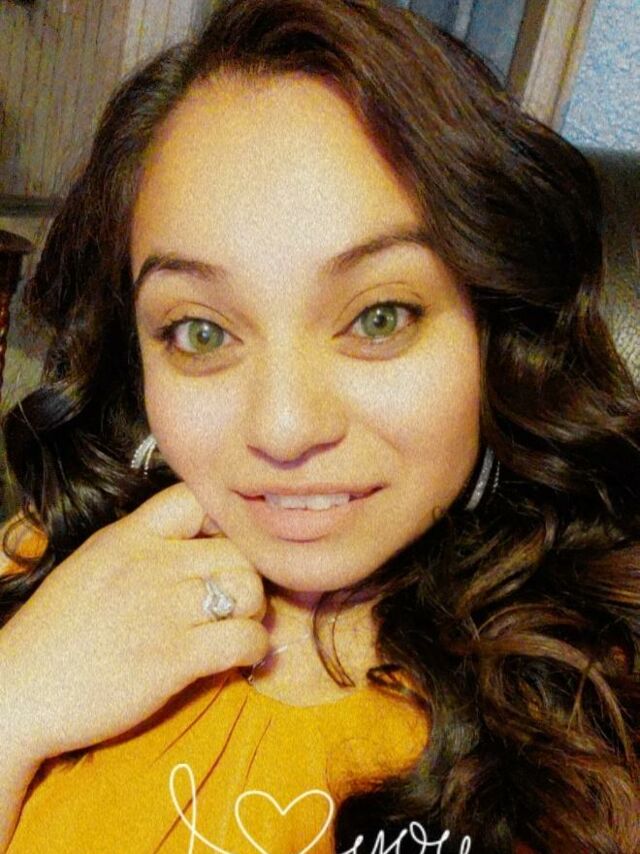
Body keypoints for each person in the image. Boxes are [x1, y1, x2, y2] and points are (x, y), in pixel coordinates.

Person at [1, 0, 639, 851]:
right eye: (202, 332)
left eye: (378, 317)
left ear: (493, 323)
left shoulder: (598, 698)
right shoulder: (51, 568)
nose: (286, 428)